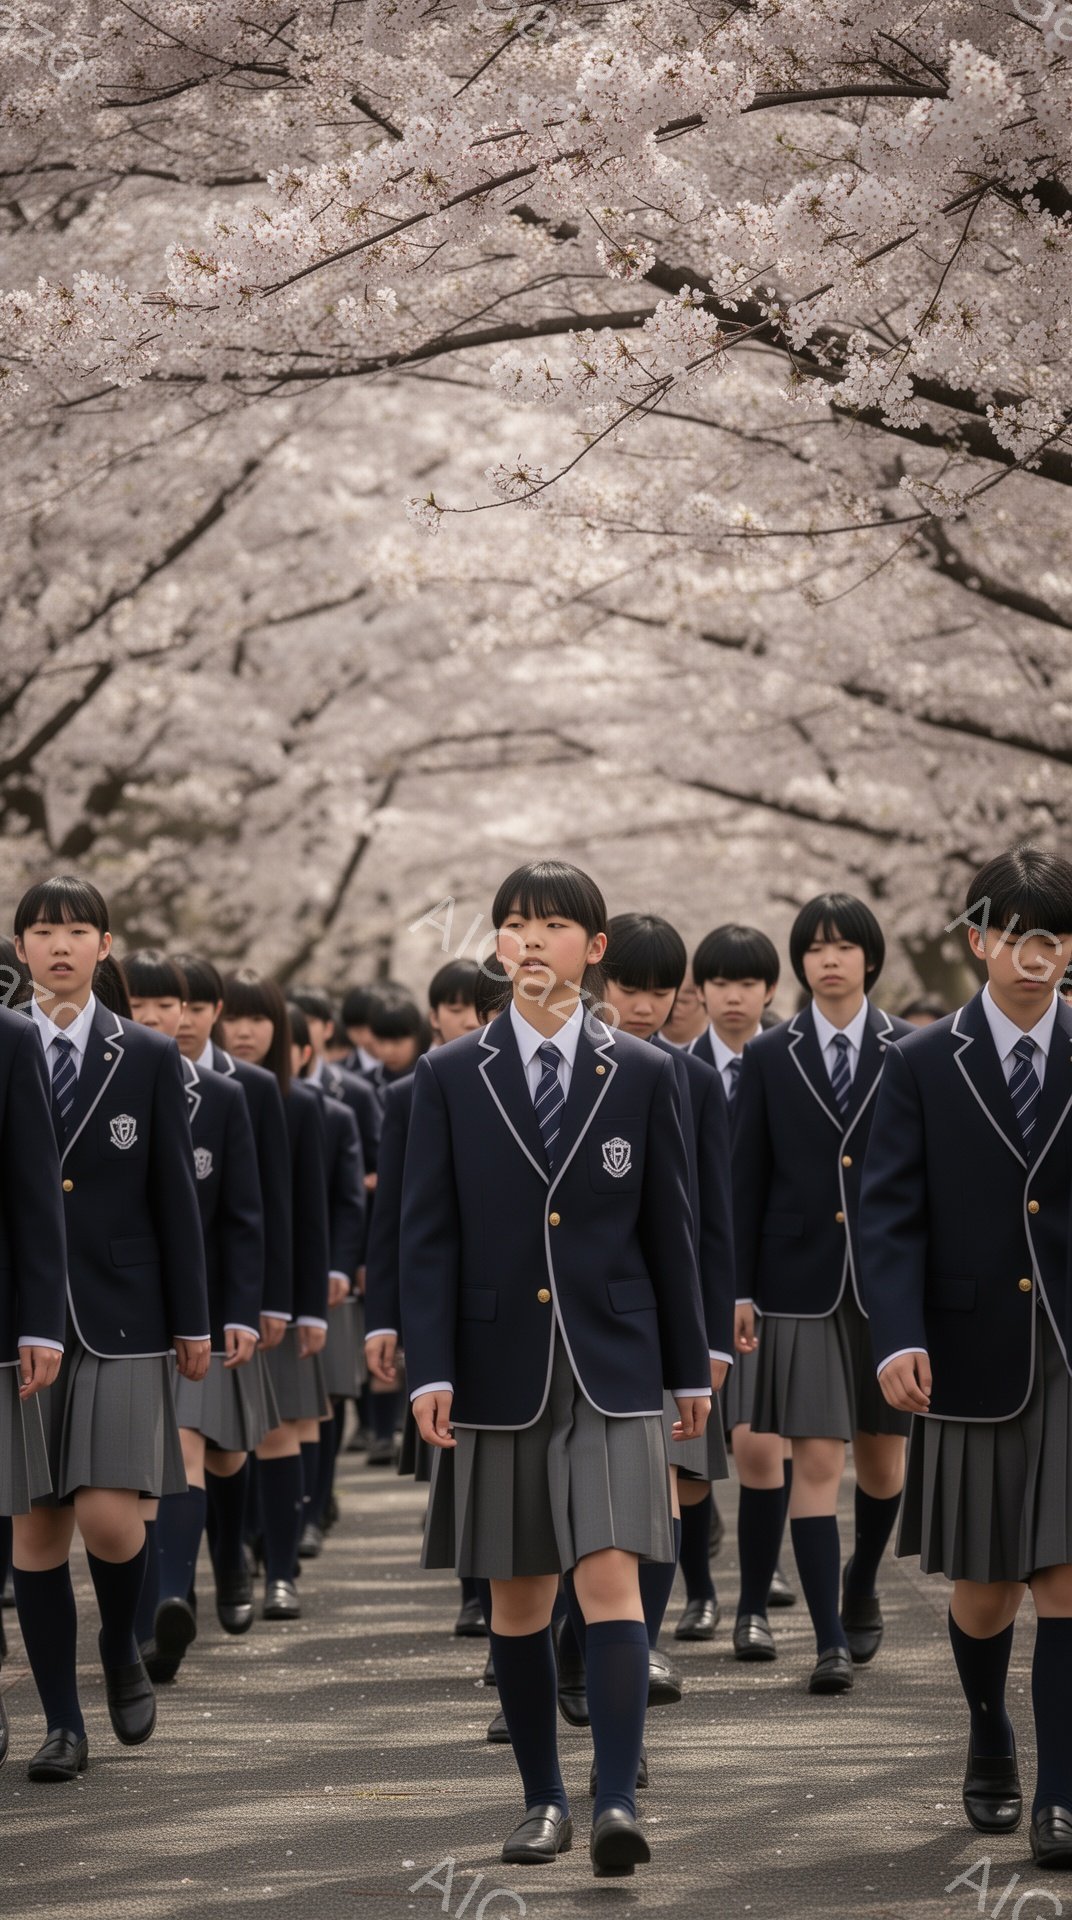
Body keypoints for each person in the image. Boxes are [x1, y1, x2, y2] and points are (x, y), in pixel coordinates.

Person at [402, 859, 710, 1877]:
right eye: (514, 925)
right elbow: (426, 1236)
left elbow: (671, 1235)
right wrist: (428, 1367)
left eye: (553, 925)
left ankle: (616, 1798)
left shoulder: (649, 1073)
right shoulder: (448, 1075)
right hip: (493, 1372)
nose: (532, 940)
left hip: (613, 1367)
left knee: (612, 1578)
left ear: (596, 947)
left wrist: (688, 1372)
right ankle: (543, 1803)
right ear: (495, 946)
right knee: (520, 1602)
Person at [860, 846, 1072, 1869]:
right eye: (1017, 936)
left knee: (1069, 1574)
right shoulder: (916, 1061)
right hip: (967, 1350)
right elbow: (887, 1212)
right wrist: (897, 1331)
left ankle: (1063, 1794)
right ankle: (989, 1730)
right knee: (987, 1586)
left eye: (1055, 937)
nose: (1036, 956)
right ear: (976, 940)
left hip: (1071, 1354)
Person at [10, 876, 209, 1782]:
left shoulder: (149, 1055)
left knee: (108, 1517)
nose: (58, 944)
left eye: (76, 930)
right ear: (19, 950)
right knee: (38, 1530)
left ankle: (123, 1647)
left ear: (104, 946)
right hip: (18, 1314)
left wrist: (194, 1318)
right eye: (42, 930)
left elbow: (176, 1197)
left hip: (124, 1314)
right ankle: (62, 1722)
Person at [732, 892, 911, 1694]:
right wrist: (737, 1287)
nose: (828, 958)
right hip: (795, 1285)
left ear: (869, 958)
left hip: (886, 1287)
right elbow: (746, 1179)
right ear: (799, 964)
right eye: (813, 948)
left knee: (882, 1461)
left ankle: (863, 1576)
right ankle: (829, 1639)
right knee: (815, 1457)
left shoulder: (913, 1049)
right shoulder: (770, 1056)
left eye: (843, 946)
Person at [119, 952, 266, 1681]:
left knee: (211, 1452)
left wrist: (241, 1308)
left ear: (186, 1012)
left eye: (164, 1003)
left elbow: (243, 1217)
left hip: (201, 1307)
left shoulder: (221, 1095)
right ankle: (163, 1606)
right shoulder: (85, 1086)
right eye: (136, 1001)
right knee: (153, 1467)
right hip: (119, 1310)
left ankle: (200, 1584)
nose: (151, 1016)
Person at [597, 912, 733, 1685]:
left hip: (669, 1323)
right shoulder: (562, 1068)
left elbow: (707, 1224)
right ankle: (564, 1658)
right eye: (628, 989)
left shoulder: (695, 1081)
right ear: (598, 981)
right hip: (588, 1316)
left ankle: (637, 1654)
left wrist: (708, 1343)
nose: (644, 1007)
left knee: (667, 1493)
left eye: (660, 992)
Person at [171, 952, 292, 1634]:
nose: (178, 1019)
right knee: (185, 1443)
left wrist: (268, 1300)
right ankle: (176, 1591)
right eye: (165, 1004)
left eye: (193, 1005)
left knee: (228, 1449)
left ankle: (231, 1557)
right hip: (153, 1304)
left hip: (227, 1298)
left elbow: (264, 1205)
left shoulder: (245, 1088)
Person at [691, 923, 797, 1653]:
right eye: (720, 982)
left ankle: (751, 1604)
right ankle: (698, 1591)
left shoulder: (788, 1061)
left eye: (749, 982)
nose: (734, 996)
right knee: (688, 1454)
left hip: (760, 1287)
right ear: (697, 991)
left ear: (769, 990)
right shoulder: (668, 1066)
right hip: (690, 1283)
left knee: (761, 1447)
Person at [217, 970, 330, 1622]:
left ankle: (281, 1572)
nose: (245, 1030)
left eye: (260, 1018)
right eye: (234, 1016)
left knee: (280, 1431)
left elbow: (303, 1214)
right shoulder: (187, 1089)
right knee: (220, 1440)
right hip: (213, 1297)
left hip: (276, 1298)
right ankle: (240, 1553)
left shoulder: (295, 1103)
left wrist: (304, 1303)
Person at [0, 1001, 68, 1771]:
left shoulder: (12, 1040)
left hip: (4, 1321)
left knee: (23, 1514)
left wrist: (40, 1321)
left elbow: (33, 1190)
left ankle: (67, 1714)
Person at [288, 1001, 365, 1556]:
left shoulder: (341, 1104)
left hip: (323, 1275)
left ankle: (313, 1506)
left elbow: (345, 1199)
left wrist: (342, 1263)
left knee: (324, 1396)